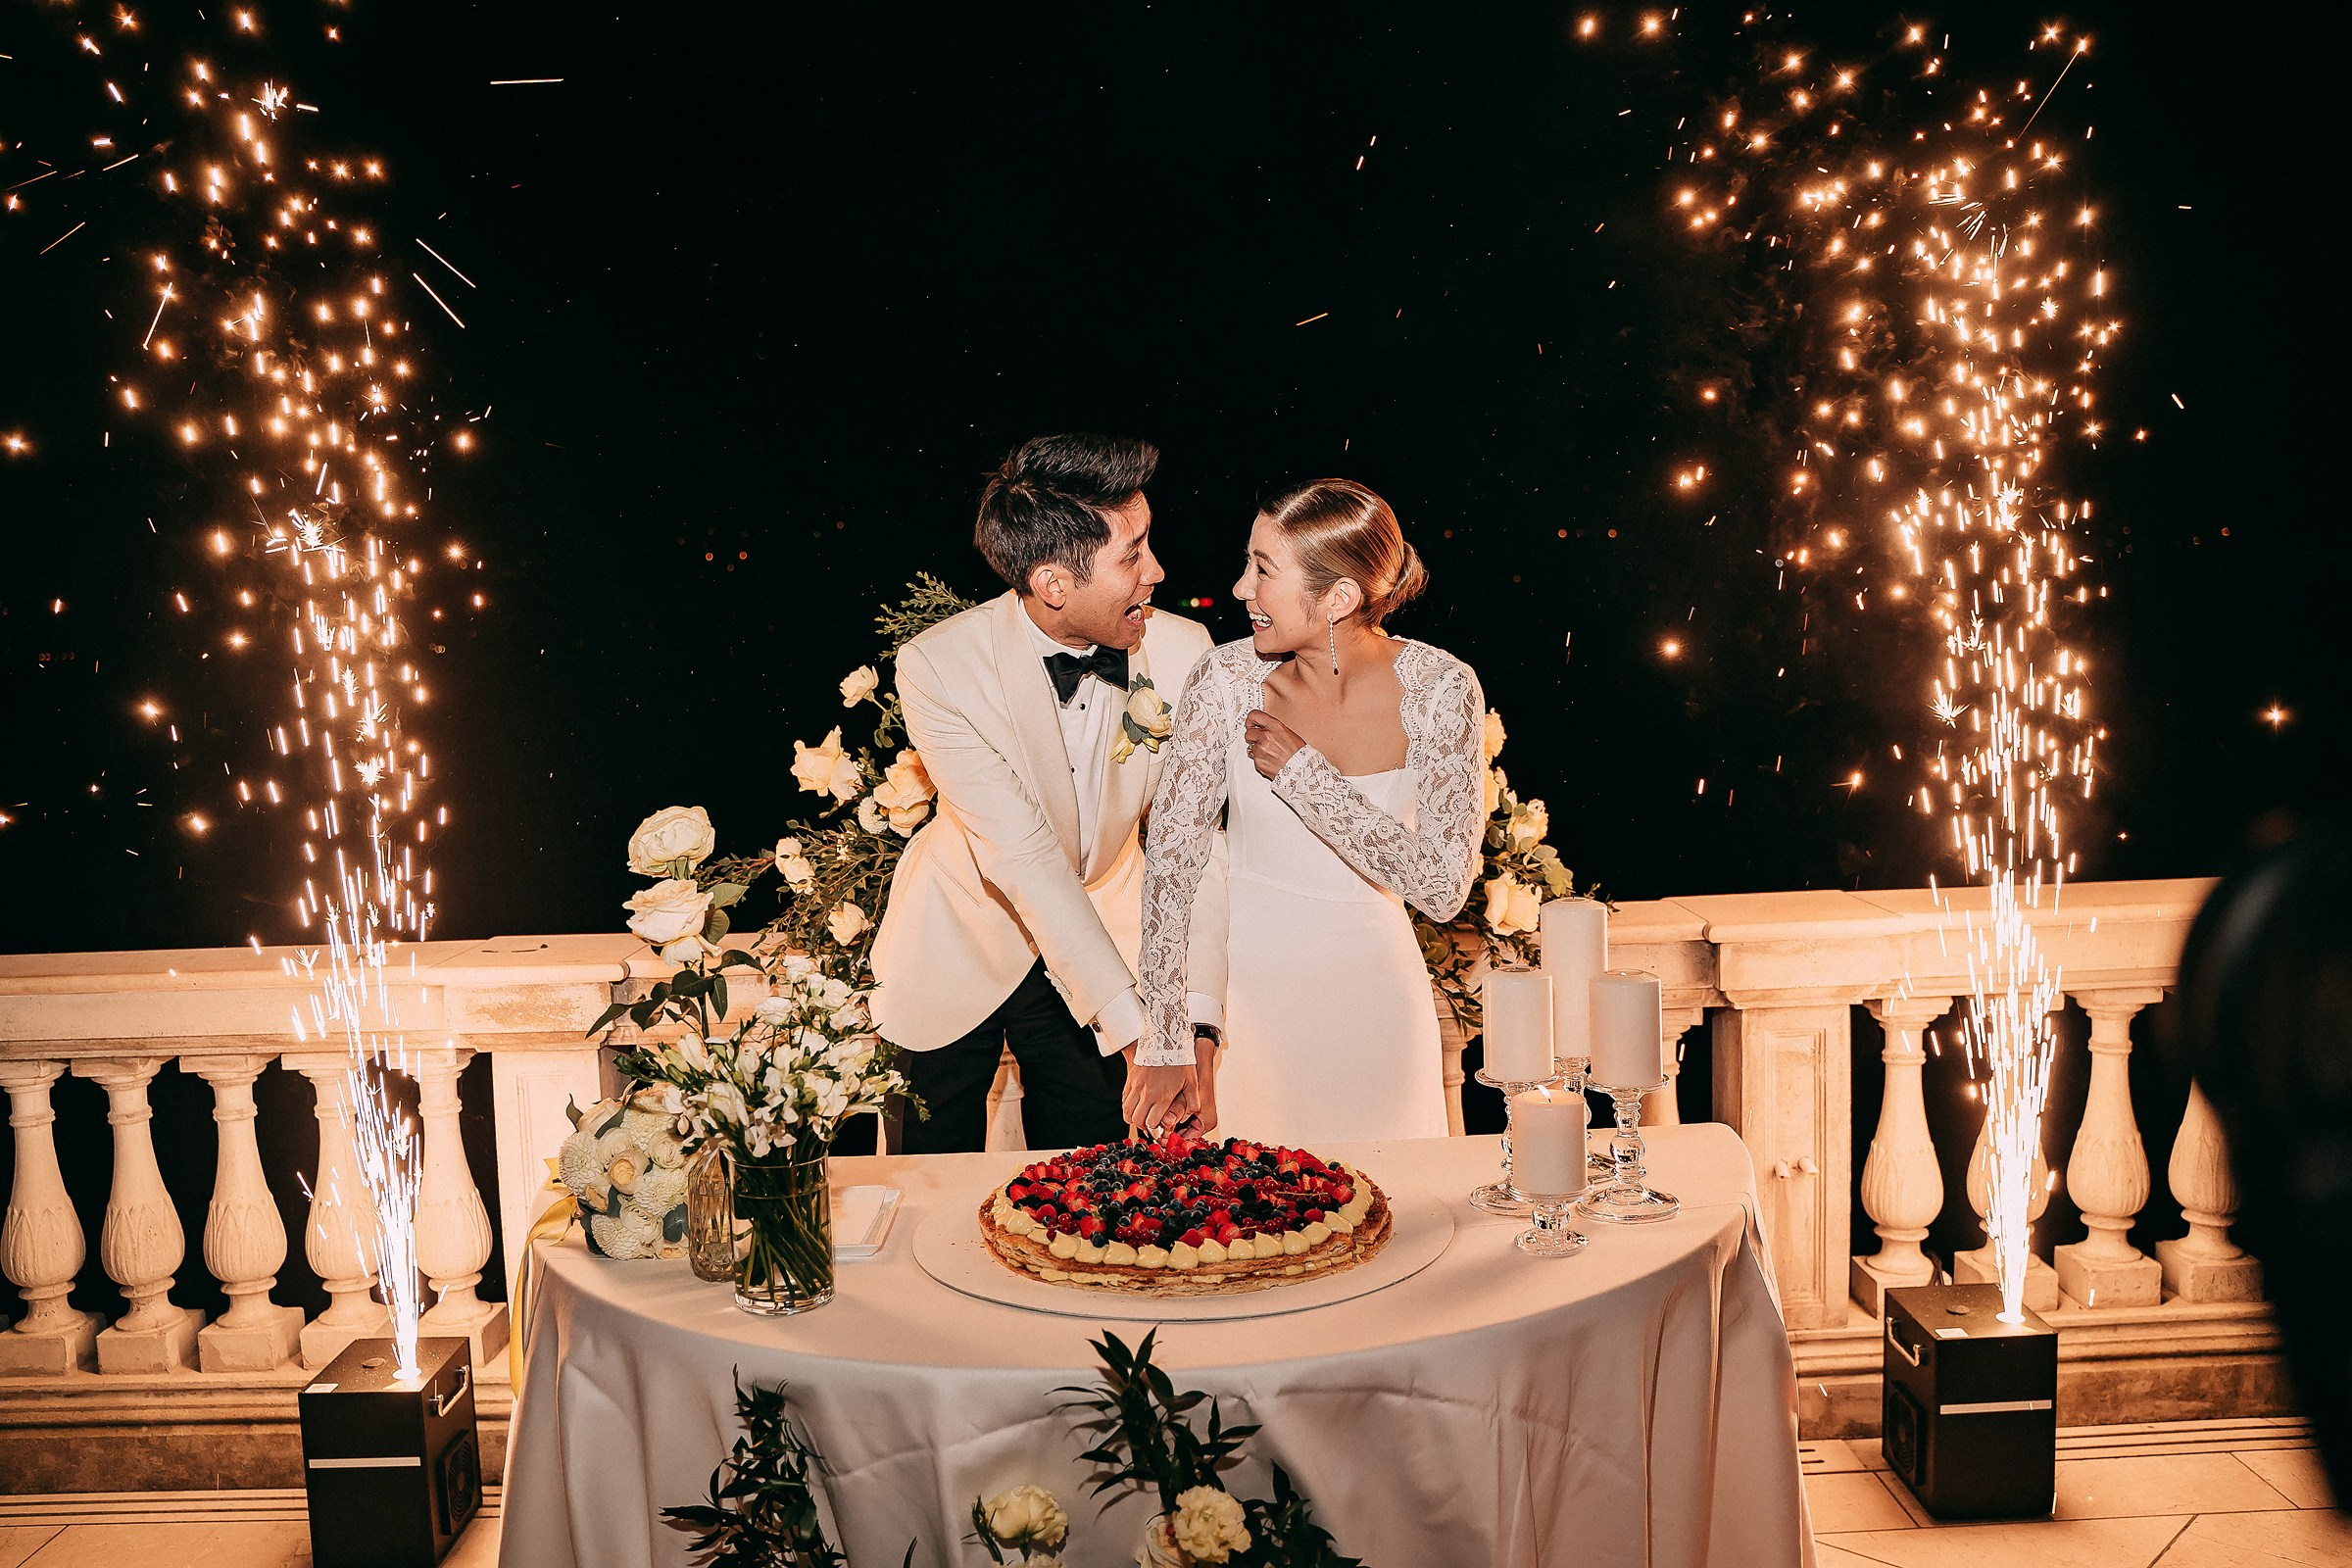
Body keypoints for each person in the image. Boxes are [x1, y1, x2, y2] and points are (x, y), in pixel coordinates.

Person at [869, 433, 1227, 1152]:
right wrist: (1142, 1036)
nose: (1156, 570)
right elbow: (1025, 855)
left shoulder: (1187, 652)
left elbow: (1194, 851)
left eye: (1148, 542)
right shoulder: (938, 667)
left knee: (1096, 1183)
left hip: (1106, 943)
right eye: (1132, 555)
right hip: (961, 932)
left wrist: (1190, 1026)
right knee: (926, 1179)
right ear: (1054, 583)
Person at [1137, 478, 1485, 1143]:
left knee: (1398, 1225)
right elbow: (1171, 876)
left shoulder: (1443, 688)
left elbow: (1442, 889)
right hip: (1250, 1016)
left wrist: (1305, 778)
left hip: (1379, 1011)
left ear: (1340, 598)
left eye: (1263, 570)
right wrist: (1168, 1036)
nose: (1241, 588)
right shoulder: (1223, 679)